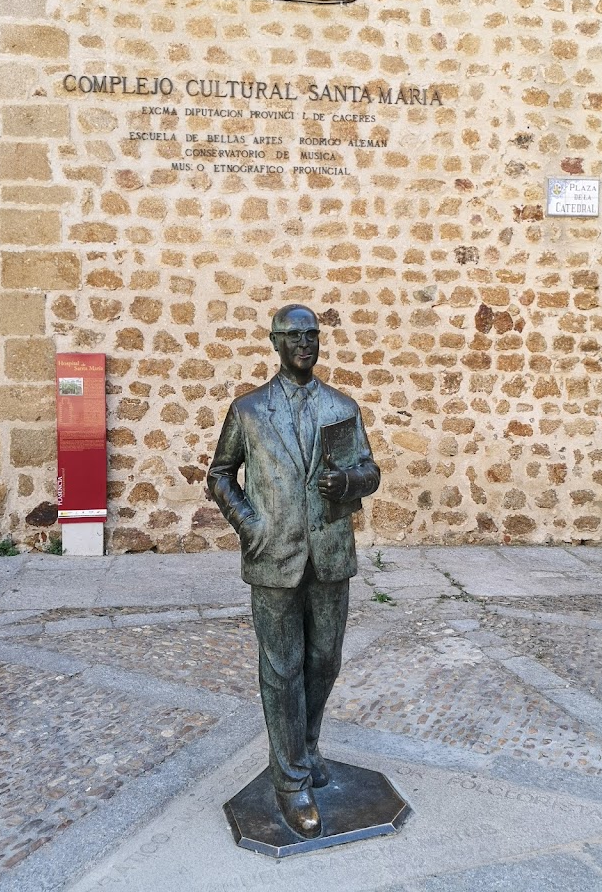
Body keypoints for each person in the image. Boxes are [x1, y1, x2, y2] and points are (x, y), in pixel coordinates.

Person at [207, 304, 380, 839]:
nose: (304, 343)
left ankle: (304, 748)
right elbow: (219, 475)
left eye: (311, 334)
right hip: (272, 554)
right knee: (281, 669)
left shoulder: (341, 407)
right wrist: (248, 524)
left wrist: (349, 484)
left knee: (324, 659)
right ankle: (291, 783)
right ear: (275, 343)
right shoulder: (250, 411)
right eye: (293, 336)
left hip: (329, 554)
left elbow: (369, 471)